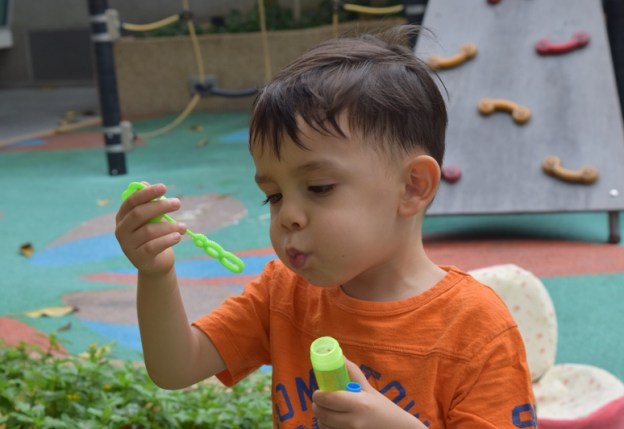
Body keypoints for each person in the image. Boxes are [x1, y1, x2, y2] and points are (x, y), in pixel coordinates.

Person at [115, 26, 536, 429]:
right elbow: (176, 367)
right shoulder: (284, 294)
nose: (288, 216)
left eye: (319, 188)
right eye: (273, 195)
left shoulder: (476, 329)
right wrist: (156, 274)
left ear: (412, 186)